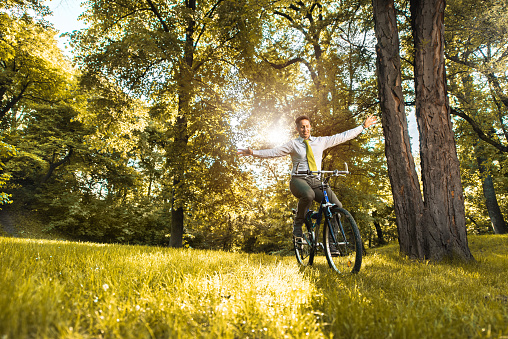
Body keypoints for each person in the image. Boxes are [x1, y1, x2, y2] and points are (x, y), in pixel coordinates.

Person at [238, 115, 377, 239]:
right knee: (308, 195)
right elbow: (274, 152)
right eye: (302, 127)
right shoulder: (293, 144)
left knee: (337, 206)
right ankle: (298, 224)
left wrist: (362, 127)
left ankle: (331, 242)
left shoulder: (320, 141)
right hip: (298, 180)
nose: (305, 129)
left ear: (310, 127)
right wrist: (252, 152)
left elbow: (342, 136)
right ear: (297, 129)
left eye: (307, 126)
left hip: (315, 180)